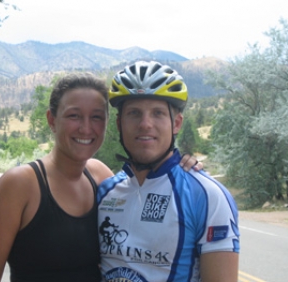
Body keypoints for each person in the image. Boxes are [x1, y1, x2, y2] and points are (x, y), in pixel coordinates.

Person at [0, 72, 201, 282]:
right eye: (74, 116)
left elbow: (147, 196)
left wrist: (182, 165)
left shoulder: (101, 177)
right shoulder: (19, 185)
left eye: (97, 117)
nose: (86, 128)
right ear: (52, 120)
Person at [97, 61, 240, 282]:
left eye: (157, 113)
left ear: (177, 124)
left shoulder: (207, 195)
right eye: (134, 113)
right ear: (119, 123)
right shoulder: (104, 192)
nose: (145, 124)